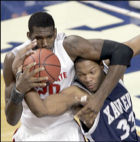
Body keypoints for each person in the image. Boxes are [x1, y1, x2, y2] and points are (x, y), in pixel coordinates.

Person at [3, 11, 140, 141]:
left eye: (49, 37)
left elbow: (123, 50)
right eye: (38, 38)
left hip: (68, 133)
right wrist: (19, 90)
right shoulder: (14, 60)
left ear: (55, 33)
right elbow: (12, 119)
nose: (44, 43)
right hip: (31, 135)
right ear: (29, 35)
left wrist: (99, 98)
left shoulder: (69, 48)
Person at [17, 58, 139, 141]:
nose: (88, 78)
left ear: (101, 66)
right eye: (82, 74)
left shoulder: (113, 73)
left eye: (92, 72)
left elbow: (126, 49)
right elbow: (41, 110)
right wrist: (22, 82)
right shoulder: (77, 94)